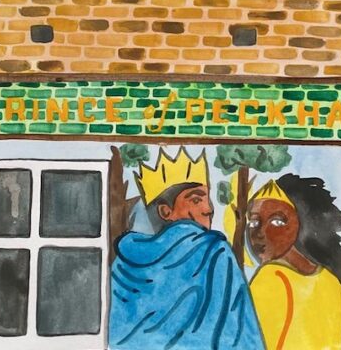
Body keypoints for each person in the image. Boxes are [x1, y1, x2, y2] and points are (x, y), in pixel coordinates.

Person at [109, 148, 265, 350]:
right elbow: (241, 338)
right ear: (166, 211)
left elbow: (113, 335)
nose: (209, 209)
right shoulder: (215, 253)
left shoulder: (123, 263)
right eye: (196, 200)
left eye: (207, 199)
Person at [247, 174, 341, 350]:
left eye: (277, 221)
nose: (260, 233)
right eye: (254, 223)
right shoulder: (332, 282)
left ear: (302, 222)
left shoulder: (271, 278)